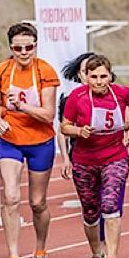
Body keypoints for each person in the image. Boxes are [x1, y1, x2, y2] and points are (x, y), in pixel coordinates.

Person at [0, 22, 59, 258]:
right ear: (11, 48)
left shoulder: (45, 71)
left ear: (35, 46)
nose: (23, 52)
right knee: (10, 196)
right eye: (18, 48)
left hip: (40, 141)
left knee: (37, 202)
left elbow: (48, 114)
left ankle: (40, 254)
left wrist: (22, 106)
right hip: (10, 140)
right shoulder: (1, 71)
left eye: (28, 47)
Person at [61, 54, 129, 258]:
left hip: (114, 157)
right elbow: (64, 127)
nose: (98, 81)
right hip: (84, 161)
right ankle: (97, 256)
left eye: (103, 76)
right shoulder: (77, 97)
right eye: (93, 76)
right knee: (91, 210)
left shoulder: (122, 93)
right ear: (87, 78)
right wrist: (79, 131)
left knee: (110, 204)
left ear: (110, 75)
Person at [56, 52, 94, 181]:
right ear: (79, 74)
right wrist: (65, 159)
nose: (89, 75)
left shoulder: (114, 96)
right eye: (85, 71)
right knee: (90, 199)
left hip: (109, 156)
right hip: (80, 156)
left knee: (109, 197)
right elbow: (62, 130)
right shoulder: (69, 99)